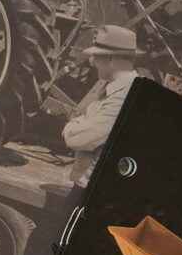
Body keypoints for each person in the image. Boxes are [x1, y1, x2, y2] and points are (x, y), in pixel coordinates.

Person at [61, 24, 143, 187]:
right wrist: (82, 122)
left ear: (111, 59)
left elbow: (78, 139)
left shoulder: (125, 96)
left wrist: (71, 126)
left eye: (96, 56)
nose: (92, 62)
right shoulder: (113, 87)